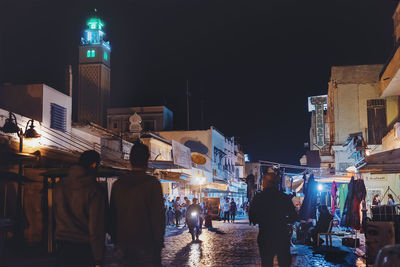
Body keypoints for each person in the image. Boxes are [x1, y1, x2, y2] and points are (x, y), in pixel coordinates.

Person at [110, 142, 165, 267]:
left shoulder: (118, 184)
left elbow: (112, 216)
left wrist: (116, 241)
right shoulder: (152, 184)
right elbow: (158, 218)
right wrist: (158, 243)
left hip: (123, 245)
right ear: (147, 160)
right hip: (147, 245)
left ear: (130, 160)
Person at [54, 150, 105, 267]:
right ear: (94, 165)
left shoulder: (59, 185)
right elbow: (96, 228)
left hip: (62, 246)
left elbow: (55, 215)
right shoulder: (94, 189)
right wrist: (98, 258)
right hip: (83, 249)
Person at [249, 173, 298, 267]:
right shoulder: (283, 197)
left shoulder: (258, 197)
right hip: (281, 235)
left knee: (266, 262)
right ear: (276, 183)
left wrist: (263, 219)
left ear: (264, 183)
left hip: (265, 235)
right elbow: (294, 217)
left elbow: (252, 218)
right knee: (284, 263)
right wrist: (283, 220)